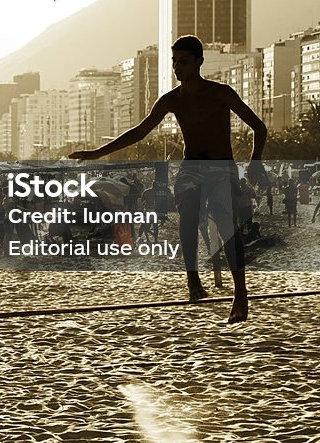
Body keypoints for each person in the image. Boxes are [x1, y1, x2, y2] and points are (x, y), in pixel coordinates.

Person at [70, 35, 266, 323]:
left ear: (199, 61)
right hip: (191, 168)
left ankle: (240, 294)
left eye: (183, 62)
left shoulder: (220, 93)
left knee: (226, 228)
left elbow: (259, 127)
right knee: (187, 214)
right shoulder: (172, 100)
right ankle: (193, 281)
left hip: (221, 168)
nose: (177, 67)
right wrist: (98, 153)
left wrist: (255, 161)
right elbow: (139, 132)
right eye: (174, 61)